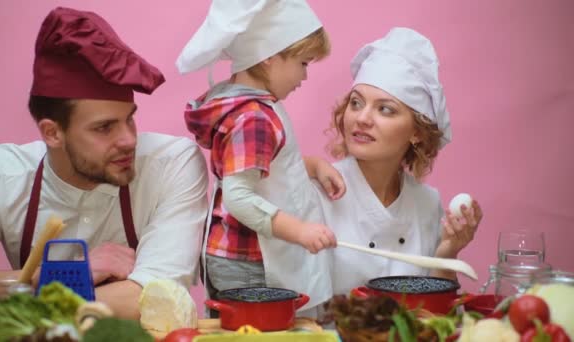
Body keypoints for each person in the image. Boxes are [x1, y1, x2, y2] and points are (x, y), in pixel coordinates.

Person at [0, 7, 208, 319]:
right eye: (104, 128)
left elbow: (150, 301)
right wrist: (57, 275)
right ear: (52, 133)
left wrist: (11, 300)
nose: (129, 140)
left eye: (129, 120)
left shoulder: (172, 163)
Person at [176, 0, 344, 313]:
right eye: (303, 63)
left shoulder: (244, 104)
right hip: (247, 262)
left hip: (238, 256)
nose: (305, 76)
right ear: (268, 58)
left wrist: (314, 166)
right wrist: (300, 231)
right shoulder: (254, 117)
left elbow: (264, 166)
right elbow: (238, 196)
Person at [320, 27, 483, 296]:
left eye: (385, 109)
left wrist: (447, 252)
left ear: (417, 132)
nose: (362, 118)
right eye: (356, 103)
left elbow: (436, 314)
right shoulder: (320, 191)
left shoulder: (427, 203)